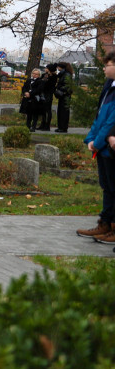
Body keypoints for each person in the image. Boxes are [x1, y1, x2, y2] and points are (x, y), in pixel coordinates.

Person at [76, 53, 115, 246]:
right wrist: (91, 139)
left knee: (113, 187)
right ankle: (105, 223)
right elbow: (100, 117)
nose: (104, 68)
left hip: (109, 146)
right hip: (103, 146)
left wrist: (98, 142)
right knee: (107, 187)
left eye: (107, 65)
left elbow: (111, 121)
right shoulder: (109, 88)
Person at [54, 62, 74, 133]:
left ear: (61, 67)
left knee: (63, 112)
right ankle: (61, 127)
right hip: (63, 95)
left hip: (65, 95)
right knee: (61, 111)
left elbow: (67, 85)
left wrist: (60, 89)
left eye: (58, 67)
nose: (57, 68)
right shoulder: (64, 74)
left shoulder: (66, 75)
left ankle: (63, 127)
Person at [38, 63, 58, 131]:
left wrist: (45, 81)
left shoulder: (53, 77)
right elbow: (40, 82)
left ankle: (47, 125)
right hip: (43, 93)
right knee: (43, 110)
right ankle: (42, 124)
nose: (45, 69)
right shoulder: (44, 75)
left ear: (49, 69)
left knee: (48, 110)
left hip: (48, 94)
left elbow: (49, 85)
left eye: (46, 68)